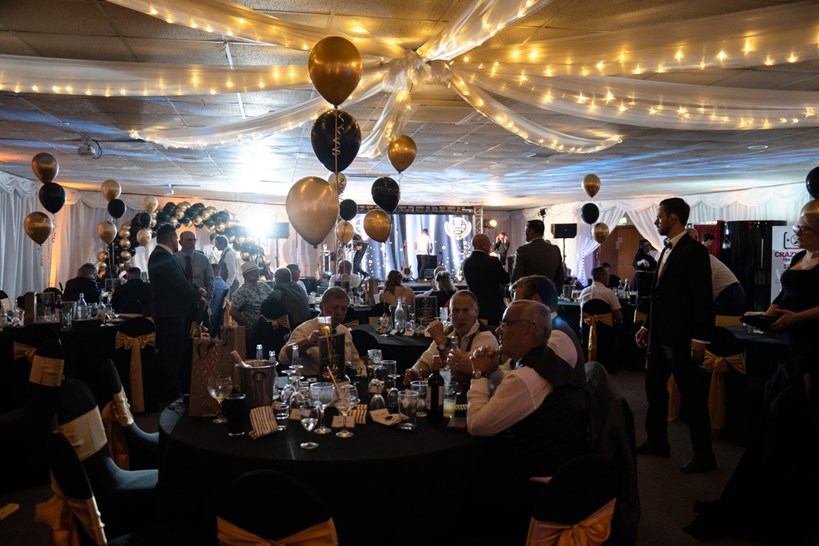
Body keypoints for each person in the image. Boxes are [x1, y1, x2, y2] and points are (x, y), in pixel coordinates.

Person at [466, 300, 589, 541]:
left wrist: (479, 374)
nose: (499, 330)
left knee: (467, 478)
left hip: (538, 484)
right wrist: (494, 372)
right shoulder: (546, 362)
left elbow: (477, 425)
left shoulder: (527, 376)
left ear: (529, 330)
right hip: (566, 466)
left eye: (506, 324)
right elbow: (518, 394)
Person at [635, 197, 715, 474]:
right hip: (659, 335)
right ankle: (657, 441)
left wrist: (700, 338)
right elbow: (660, 296)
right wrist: (647, 326)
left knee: (692, 397)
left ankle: (704, 455)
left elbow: (702, 297)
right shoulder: (666, 249)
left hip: (681, 336)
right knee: (654, 391)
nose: (656, 221)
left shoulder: (694, 251)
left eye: (660, 216)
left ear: (673, 218)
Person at [148, 223, 206, 401]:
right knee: (172, 355)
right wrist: (196, 294)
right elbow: (177, 282)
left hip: (173, 312)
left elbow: (182, 279)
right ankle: (172, 396)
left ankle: (175, 392)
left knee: (176, 354)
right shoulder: (160, 256)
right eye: (176, 237)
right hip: (169, 313)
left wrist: (196, 289)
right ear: (172, 238)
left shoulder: (164, 255)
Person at [403, 291, 498, 389]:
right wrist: (415, 372)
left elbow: (456, 373)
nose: (460, 317)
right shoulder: (448, 332)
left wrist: (441, 342)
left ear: (476, 312)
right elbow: (426, 361)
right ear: (449, 313)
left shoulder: (485, 337)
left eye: (466, 310)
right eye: (456, 310)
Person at [510, 274, 585, 381]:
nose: (512, 309)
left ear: (536, 300)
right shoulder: (543, 329)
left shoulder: (557, 336)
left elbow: (523, 380)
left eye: (517, 303)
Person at [280, 287, 364, 377]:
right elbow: (283, 358)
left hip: (341, 382)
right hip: (314, 382)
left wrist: (363, 374)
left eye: (344, 309)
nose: (339, 312)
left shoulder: (344, 331)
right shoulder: (304, 330)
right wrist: (308, 342)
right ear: (321, 306)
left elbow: (356, 363)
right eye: (334, 307)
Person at [684, 228, 745, 315]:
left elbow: (703, 286)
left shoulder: (701, 258)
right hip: (729, 294)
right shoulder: (698, 257)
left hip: (730, 295)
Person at [462, 233, 509, 326]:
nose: (490, 245)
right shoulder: (493, 261)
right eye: (489, 243)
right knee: (492, 332)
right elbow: (505, 279)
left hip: (473, 305)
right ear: (483, 245)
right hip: (492, 306)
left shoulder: (465, 262)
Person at [229, 261, 273, 356]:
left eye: (257, 271)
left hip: (269, 326)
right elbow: (233, 311)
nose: (257, 273)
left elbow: (273, 298)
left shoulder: (263, 286)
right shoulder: (241, 291)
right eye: (253, 272)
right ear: (246, 275)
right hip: (254, 330)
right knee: (255, 354)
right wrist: (246, 324)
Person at [511, 219, 565, 287]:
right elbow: (560, 278)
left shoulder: (522, 250)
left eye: (525, 231)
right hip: (549, 291)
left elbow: (516, 280)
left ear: (531, 232)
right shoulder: (555, 249)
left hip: (529, 292)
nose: (524, 233)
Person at [175, 231, 214, 326]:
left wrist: (207, 301)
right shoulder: (174, 259)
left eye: (194, 240)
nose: (192, 243)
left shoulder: (203, 259)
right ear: (180, 242)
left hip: (199, 303)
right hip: (179, 303)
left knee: (199, 331)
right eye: (189, 240)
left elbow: (210, 281)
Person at [209, 263, 229, 337]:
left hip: (210, 319)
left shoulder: (211, 284)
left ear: (216, 271)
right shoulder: (226, 286)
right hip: (221, 320)